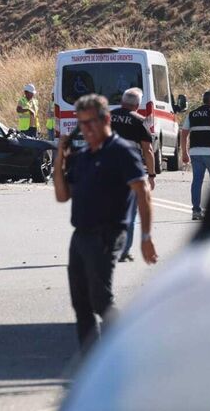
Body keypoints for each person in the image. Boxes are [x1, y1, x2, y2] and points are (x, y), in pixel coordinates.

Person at [53, 94, 157, 353]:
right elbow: (62, 196)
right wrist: (60, 160)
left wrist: (145, 237)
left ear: (106, 119)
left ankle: (126, 350)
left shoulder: (121, 151)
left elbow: (142, 191)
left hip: (107, 233)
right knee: (81, 303)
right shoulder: (82, 156)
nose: (86, 129)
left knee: (101, 301)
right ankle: (91, 363)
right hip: (80, 236)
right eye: (81, 124)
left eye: (91, 123)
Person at [109, 88, 156, 262]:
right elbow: (148, 150)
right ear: (137, 105)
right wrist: (151, 175)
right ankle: (123, 251)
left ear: (122, 102)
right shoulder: (139, 121)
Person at [181, 90, 210, 221]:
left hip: (195, 153)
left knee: (197, 181)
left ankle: (196, 211)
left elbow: (184, 133)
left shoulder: (192, 114)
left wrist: (184, 152)